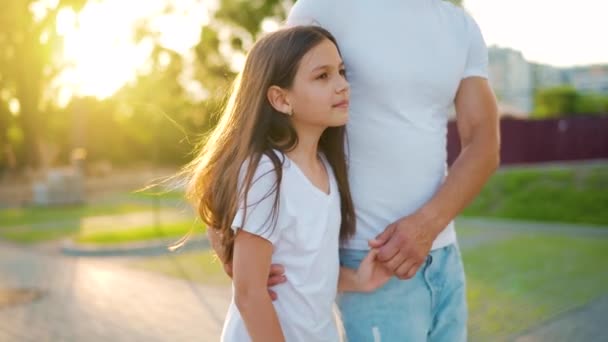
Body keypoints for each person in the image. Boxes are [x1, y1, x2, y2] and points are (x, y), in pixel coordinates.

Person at [279, 1, 501, 341]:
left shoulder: (461, 26)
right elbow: (270, 110)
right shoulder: (321, 8)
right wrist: (229, 226)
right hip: (367, 259)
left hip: (442, 258)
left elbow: (484, 144)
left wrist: (427, 226)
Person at [184, 26, 391, 342]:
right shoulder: (268, 173)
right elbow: (250, 295)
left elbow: (303, 274)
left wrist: (357, 280)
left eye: (341, 72)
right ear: (281, 99)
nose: (342, 86)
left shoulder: (326, 169)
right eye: (322, 76)